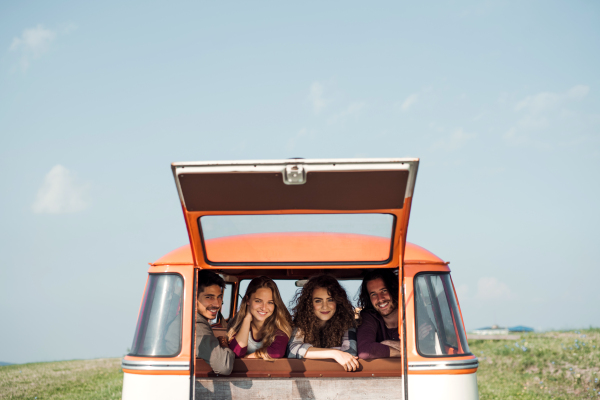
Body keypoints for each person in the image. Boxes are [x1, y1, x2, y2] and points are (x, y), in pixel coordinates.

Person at [287, 275, 359, 372]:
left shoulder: (347, 322)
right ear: (309, 303)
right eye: (318, 301)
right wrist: (334, 354)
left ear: (338, 301)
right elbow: (292, 350)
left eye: (330, 300)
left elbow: (350, 352)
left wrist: (310, 352)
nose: (325, 306)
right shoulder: (301, 323)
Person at [227, 276, 292, 359]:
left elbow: (276, 353)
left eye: (270, 302)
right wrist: (247, 319)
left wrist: (248, 358)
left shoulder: (280, 327)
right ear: (248, 300)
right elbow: (236, 353)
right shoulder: (237, 325)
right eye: (258, 301)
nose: (264, 308)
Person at [193, 270, 234, 375]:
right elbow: (223, 367)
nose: (217, 304)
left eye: (219, 297)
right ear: (194, 298)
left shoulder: (195, 320)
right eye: (209, 297)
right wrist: (224, 344)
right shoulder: (197, 325)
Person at [356, 269, 402, 359]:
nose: (380, 299)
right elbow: (365, 351)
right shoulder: (369, 316)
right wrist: (406, 352)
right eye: (373, 294)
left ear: (394, 290)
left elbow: (428, 348)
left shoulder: (411, 313)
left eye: (384, 291)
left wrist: (388, 344)